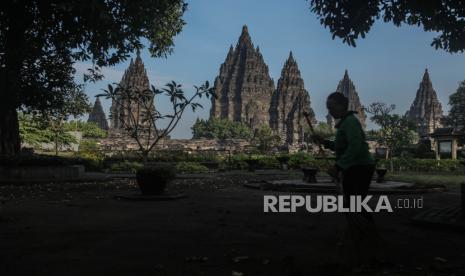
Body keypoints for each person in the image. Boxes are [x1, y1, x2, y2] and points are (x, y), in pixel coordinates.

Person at [314, 92, 379, 268]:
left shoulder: (350, 122)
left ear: (343, 106)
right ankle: (361, 235)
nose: (330, 110)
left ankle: (365, 237)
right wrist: (325, 143)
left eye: (332, 107)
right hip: (354, 167)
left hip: (360, 167)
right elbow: (341, 146)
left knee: (354, 203)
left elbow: (355, 146)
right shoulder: (344, 124)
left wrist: (339, 166)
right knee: (352, 203)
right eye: (328, 107)